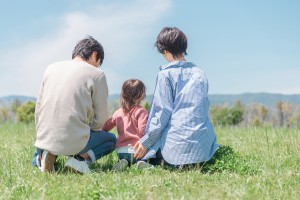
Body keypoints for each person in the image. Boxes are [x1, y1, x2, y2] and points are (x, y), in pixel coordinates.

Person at [133, 27, 219, 169]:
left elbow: (162, 115)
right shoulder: (200, 73)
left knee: (159, 133)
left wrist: (145, 142)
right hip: (203, 149)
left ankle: (150, 162)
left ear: (164, 50)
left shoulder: (165, 75)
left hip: (176, 150)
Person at [32, 36, 116, 173]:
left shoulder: (50, 68)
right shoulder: (97, 74)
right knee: (111, 140)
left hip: (44, 136)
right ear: (95, 54)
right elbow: (101, 118)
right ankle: (78, 160)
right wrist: (90, 130)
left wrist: (42, 132)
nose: (97, 66)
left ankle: (42, 157)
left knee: (45, 143)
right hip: (75, 140)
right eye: (98, 62)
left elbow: (38, 109)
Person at [102, 79, 148, 171]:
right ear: (142, 95)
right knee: (142, 157)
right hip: (136, 150)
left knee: (124, 159)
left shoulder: (118, 112)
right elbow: (143, 131)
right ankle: (140, 163)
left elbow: (105, 128)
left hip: (121, 150)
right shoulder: (141, 111)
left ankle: (123, 161)